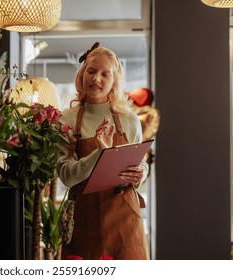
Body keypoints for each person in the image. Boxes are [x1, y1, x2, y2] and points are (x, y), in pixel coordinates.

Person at [57, 42, 150, 260]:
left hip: (126, 223)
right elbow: (67, 176)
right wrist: (100, 154)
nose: (96, 79)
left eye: (104, 74)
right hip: (84, 222)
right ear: (82, 74)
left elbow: (141, 162)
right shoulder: (66, 120)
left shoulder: (129, 119)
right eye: (91, 71)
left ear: (114, 82)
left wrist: (142, 172)